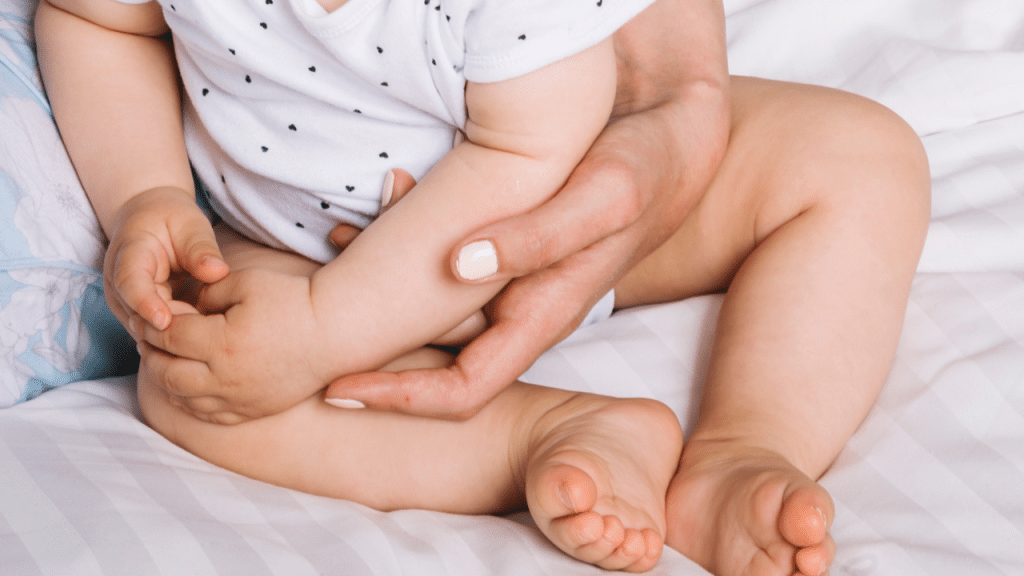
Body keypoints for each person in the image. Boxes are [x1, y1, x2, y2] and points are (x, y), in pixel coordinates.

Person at [35, 1, 932, 576]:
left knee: (862, 161)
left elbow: (525, 155)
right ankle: (546, 432)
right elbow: (97, 20)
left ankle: (743, 447)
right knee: (194, 380)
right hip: (305, 248)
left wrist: (324, 330)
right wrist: (145, 195)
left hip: (588, 209)